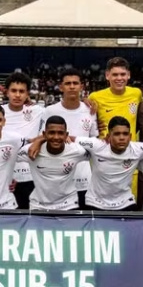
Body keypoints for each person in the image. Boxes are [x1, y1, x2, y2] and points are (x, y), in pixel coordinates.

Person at [42, 68, 97, 209]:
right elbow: (41, 139)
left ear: (81, 86)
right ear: (61, 87)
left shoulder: (90, 111)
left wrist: (75, 141)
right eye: (68, 83)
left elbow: (95, 143)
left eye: (75, 83)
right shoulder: (49, 111)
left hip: (83, 178)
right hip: (55, 178)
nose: (72, 87)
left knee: (82, 219)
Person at [76, 117, 143, 211]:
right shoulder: (97, 145)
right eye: (117, 134)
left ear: (130, 136)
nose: (122, 138)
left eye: (125, 134)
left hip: (125, 203)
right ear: (108, 136)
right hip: (95, 202)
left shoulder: (138, 150)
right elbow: (70, 139)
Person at [20, 116, 90, 211]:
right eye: (51, 133)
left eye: (60, 133)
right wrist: (11, 178)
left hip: (68, 205)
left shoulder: (77, 151)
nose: (56, 137)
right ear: (44, 134)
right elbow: (8, 158)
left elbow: (99, 153)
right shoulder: (31, 150)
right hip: (38, 206)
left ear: (66, 135)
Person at [1, 71, 44, 209]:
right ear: (6, 92)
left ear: (27, 94)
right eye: (14, 91)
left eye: (21, 91)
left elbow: (54, 127)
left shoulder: (39, 111)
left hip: (31, 177)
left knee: (31, 217)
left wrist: (87, 101)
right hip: (3, 177)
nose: (18, 95)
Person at [88, 57, 142, 139]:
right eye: (115, 75)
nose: (119, 78)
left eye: (123, 74)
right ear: (107, 75)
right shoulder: (95, 97)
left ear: (128, 75)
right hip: (105, 146)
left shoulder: (136, 93)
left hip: (130, 145)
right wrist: (95, 126)